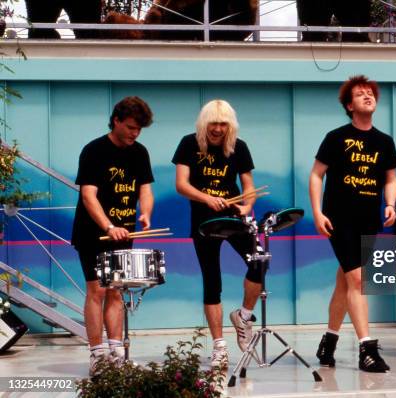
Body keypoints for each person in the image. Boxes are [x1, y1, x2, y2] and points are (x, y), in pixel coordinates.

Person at [309, 75, 396, 373]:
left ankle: (328, 342)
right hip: (339, 219)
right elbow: (316, 175)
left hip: (368, 220)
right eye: (360, 94)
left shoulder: (384, 141)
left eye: (370, 93)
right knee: (358, 281)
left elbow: (390, 178)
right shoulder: (336, 137)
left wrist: (389, 203)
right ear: (350, 105)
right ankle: (367, 350)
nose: (367, 96)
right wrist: (317, 212)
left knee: (345, 281)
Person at [172, 99, 261, 368]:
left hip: (233, 218)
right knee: (212, 282)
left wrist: (246, 206)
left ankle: (243, 316)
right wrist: (206, 198)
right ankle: (219, 346)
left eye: (223, 124)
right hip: (204, 221)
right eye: (214, 123)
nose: (218, 129)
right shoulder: (189, 143)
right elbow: (181, 185)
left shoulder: (239, 147)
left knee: (259, 261)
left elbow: (249, 187)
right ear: (204, 123)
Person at [72, 96, 155, 375]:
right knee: (97, 290)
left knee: (117, 291)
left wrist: (145, 213)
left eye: (139, 129)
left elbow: (145, 190)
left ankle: (116, 351)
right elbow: (88, 195)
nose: (135, 133)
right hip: (93, 232)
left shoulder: (140, 152)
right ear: (116, 120)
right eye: (131, 127)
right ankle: (97, 353)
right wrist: (108, 226)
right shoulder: (94, 150)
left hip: (124, 232)